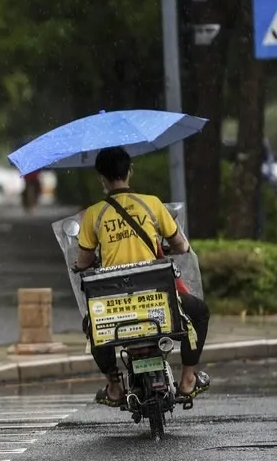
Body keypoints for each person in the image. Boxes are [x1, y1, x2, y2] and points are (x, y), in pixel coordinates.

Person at [74, 147, 211, 407]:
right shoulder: (152, 203)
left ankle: (114, 387)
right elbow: (180, 245)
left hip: (114, 305)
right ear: (130, 171)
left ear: (101, 177)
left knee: (92, 325)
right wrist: (173, 247)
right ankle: (188, 379)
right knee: (200, 312)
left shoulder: (94, 214)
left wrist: (80, 265)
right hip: (158, 299)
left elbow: (83, 261)